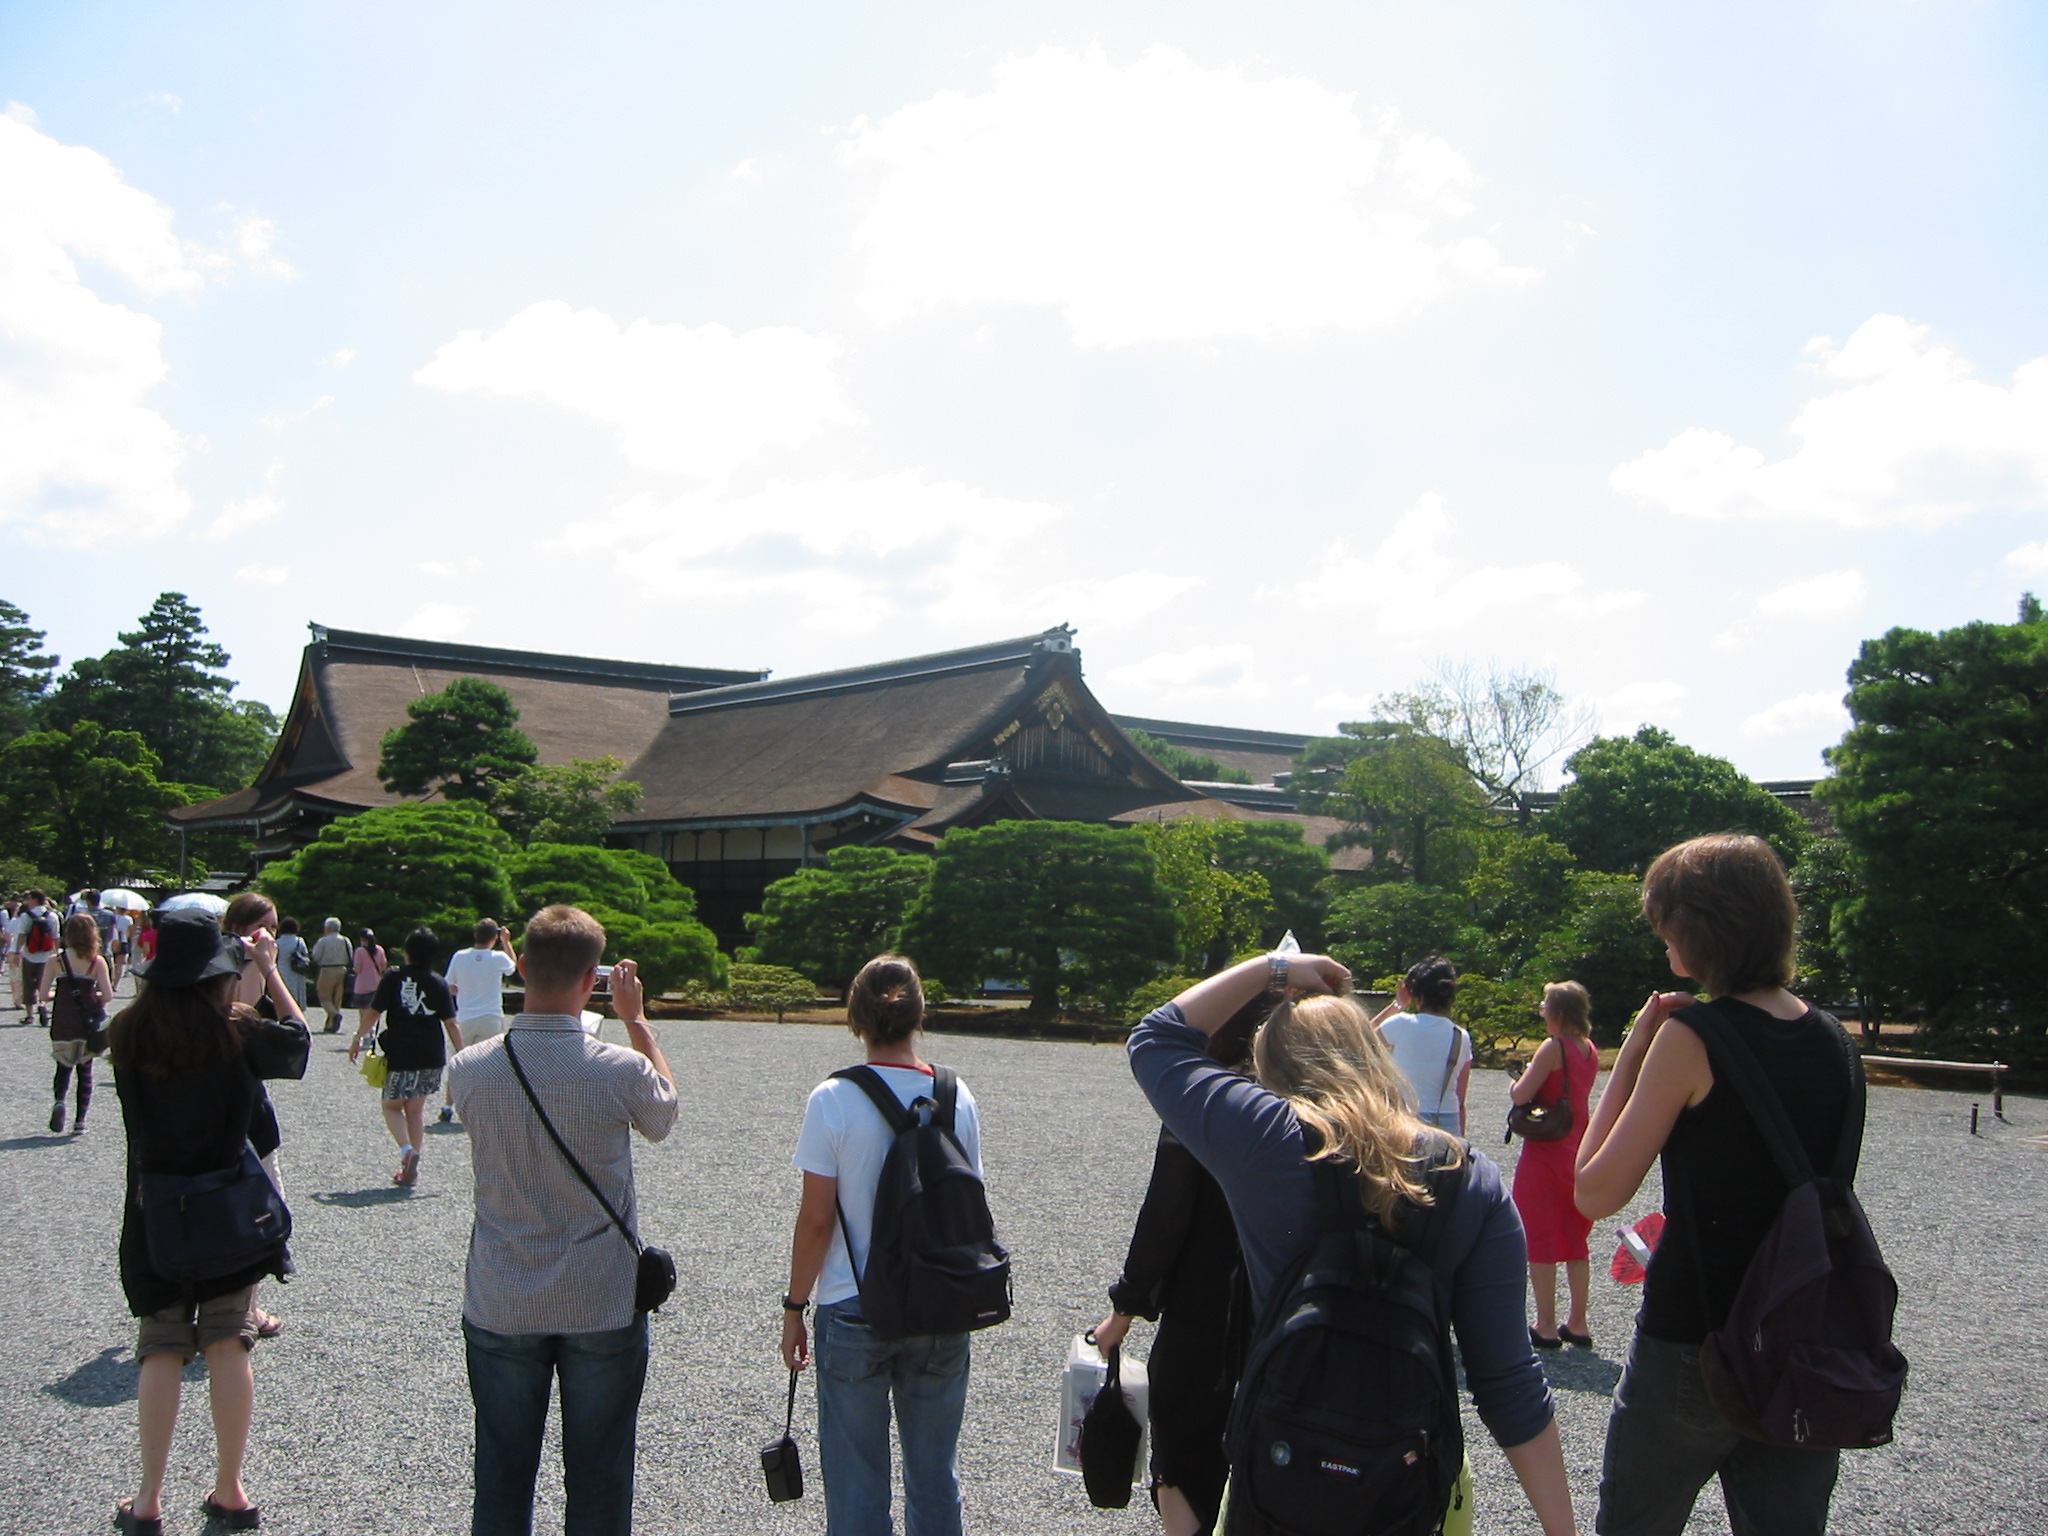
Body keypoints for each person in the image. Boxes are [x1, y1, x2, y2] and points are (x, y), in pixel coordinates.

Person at [1128, 952, 1580, 1536]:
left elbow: (1156, 1038)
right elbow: (1509, 1383)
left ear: (1273, 1072)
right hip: (1405, 1480)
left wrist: (1275, 969)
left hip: (1281, 1474)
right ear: (1373, 1056)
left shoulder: (1265, 1139)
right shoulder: (1475, 1183)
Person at [1576, 834, 1858, 1536]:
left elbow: (1594, 1191)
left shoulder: (1694, 1037)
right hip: (1802, 1332)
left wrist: (1634, 1051)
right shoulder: (1836, 1040)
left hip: (1694, 1336)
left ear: (1696, 930)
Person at [448, 906, 677, 1536]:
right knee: (600, 1474)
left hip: (502, 1291)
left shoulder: (469, 1068)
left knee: (501, 1471)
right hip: (599, 1292)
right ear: (590, 980)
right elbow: (663, 1116)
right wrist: (637, 1022)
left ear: (520, 967)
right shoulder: (618, 1069)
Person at [108, 910, 309, 1536]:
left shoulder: (128, 1033)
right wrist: (269, 971)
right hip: (229, 1208)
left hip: (156, 1209)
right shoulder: (236, 1030)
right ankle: (230, 1488)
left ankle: (148, 1500)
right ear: (218, 976)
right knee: (228, 1341)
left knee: (161, 1345)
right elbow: (298, 1041)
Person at [779, 955, 982, 1536]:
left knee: (856, 1484)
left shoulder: (833, 1099)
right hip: (940, 1301)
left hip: (855, 1302)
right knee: (935, 1476)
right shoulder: (956, 1095)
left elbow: (817, 1221)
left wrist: (794, 1308)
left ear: (856, 1018)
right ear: (920, 1014)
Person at [1091, 995, 1260, 1536]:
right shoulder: (1315, 1105)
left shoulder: (1203, 1101)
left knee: (1183, 1458)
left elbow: (1165, 1214)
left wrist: (1123, 1311)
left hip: (1203, 1310)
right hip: (1285, 1315)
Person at [1509, 981, 1600, 1349]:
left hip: (1545, 1153)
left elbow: (1521, 1094)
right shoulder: (1589, 1050)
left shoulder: (1553, 1047)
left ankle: (1545, 1324)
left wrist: (1516, 1083)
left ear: (1559, 1013)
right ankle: (1578, 1322)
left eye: (1545, 1006)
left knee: (1539, 1235)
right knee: (1576, 1238)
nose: (1542, 1012)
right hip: (1578, 1148)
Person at [350, 927, 461, 1186]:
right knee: (415, 1109)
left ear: (407, 952)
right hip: (431, 1053)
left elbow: (374, 1011)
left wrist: (358, 1037)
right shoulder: (438, 982)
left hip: (402, 1051)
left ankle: (406, 1151)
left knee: (391, 1106)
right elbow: (451, 1023)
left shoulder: (394, 976)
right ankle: (413, 1165)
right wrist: (463, 1053)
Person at [1372, 955, 1473, 1135]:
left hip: (1407, 1119)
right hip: (1447, 1121)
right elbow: (1460, 1100)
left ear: (1415, 993)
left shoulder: (1401, 1024)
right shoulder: (1460, 1036)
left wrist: (1398, 1004)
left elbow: (1360, 1038)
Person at [443, 918, 518, 1122]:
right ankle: (487, 1106)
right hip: (490, 1016)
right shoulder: (498, 957)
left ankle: (448, 1105)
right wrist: (507, 942)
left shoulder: (459, 956)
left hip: (465, 1016)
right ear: (494, 937)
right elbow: (513, 967)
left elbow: (449, 985)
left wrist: (460, 991)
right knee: (490, 1063)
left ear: (475, 935)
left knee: (459, 1062)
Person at [47, 913, 113, 1133]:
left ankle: (59, 1102)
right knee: (85, 1071)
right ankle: (80, 1122)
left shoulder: (56, 960)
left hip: (63, 1021)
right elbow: (107, 995)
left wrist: (57, 994)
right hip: (87, 1023)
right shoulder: (97, 962)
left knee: (63, 1066)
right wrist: (93, 995)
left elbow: (43, 994)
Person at [17, 889, 61, 1027]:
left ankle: (29, 1015)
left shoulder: (26, 916)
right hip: (47, 956)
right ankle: (43, 1006)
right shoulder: (52, 916)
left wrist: (17, 952)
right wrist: (56, 953)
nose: (27, 902)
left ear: (35, 900)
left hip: (29, 954)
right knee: (44, 983)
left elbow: (22, 935)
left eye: (29, 899)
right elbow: (55, 937)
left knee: (28, 984)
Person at [309, 917, 352, 1032]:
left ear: (328, 928)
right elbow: (350, 955)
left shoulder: (323, 940)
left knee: (324, 997)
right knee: (337, 998)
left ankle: (334, 1015)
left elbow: (315, 956)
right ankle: (330, 1024)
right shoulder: (345, 940)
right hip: (342, 969)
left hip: (327, 969)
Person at [350, 929, 386, 1033]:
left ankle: (364, 1033)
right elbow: (383, 966)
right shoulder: (380, 950)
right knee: (374, 1011)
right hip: (376, 984)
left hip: (362, 986)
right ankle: (373, 1030)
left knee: (363, 1014)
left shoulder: (359, 951)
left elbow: (357, 969)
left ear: (362, 939)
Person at [272, 917, 310, 1011]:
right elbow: (305, 954)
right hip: (296, 970)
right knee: (297, 992)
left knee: (282, 991)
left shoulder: (277, 942)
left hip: (281, 969)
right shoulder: (299, 941)